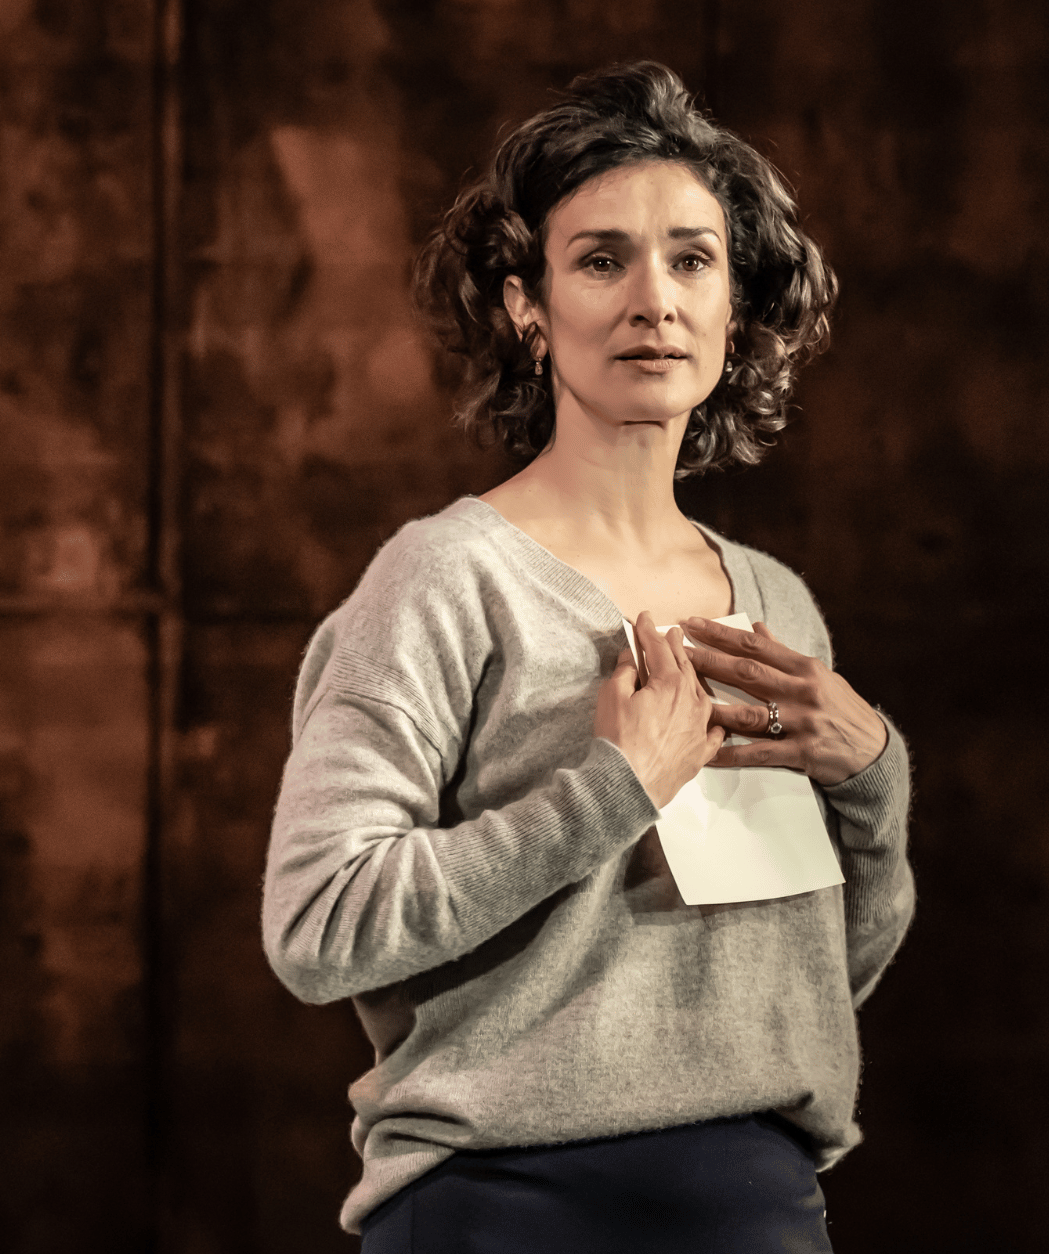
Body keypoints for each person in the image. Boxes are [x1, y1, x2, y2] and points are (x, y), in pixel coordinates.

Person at [261, 61, 915, 1253]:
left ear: (734, 307)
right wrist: (610, 794)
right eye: (601, 260)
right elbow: (320, 927)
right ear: (526, 303)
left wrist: (871, 781)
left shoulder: (774, 608)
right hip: (499, 1212)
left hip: (760, 1212)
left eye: (691, 260)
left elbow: (817, 983)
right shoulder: (446, 580)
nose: (652, 301)